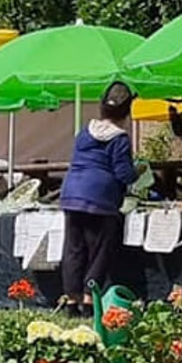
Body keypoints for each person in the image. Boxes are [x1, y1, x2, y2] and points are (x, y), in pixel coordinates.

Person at [60, 82, 143, 317]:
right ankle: (88, 300)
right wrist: (140, 170)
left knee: (74, 250)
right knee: (100, 250)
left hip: (72, 195)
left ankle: (70, 300)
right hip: (100, 199)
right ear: (126, 112)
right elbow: (123, 174)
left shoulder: (84, 132)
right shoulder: (120, 139)